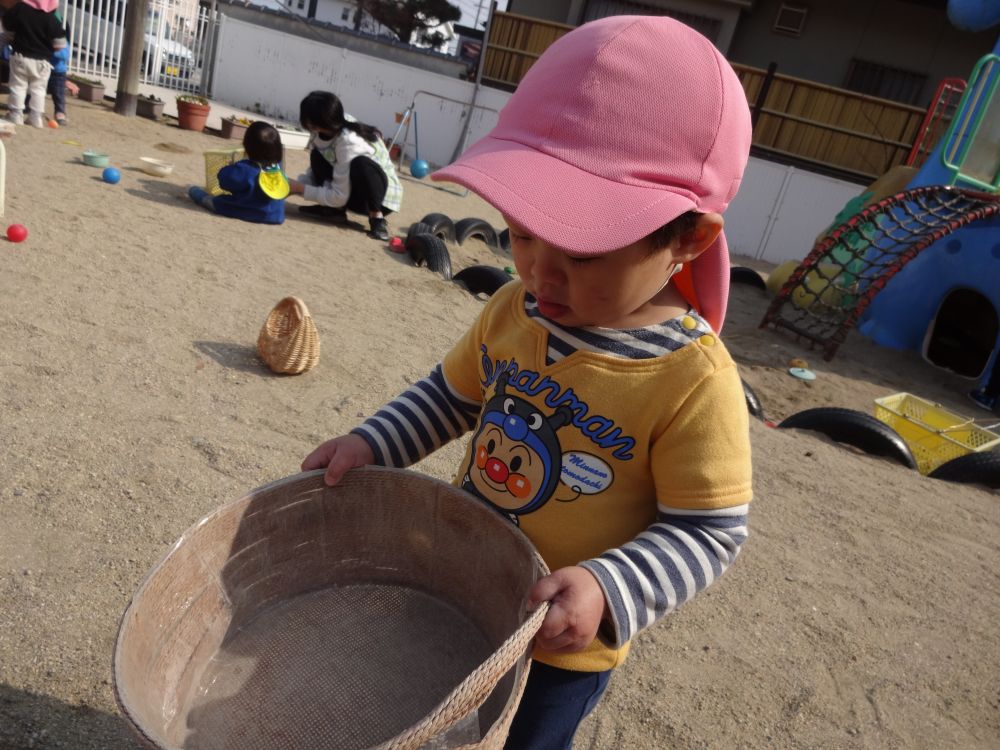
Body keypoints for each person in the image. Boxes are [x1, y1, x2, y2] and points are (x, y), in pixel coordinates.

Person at [301, 15, 753, 750]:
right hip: (455, 587)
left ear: (686, 239)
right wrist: (371, 442)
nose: (541, 272)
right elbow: (451, 396)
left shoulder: (689, 379)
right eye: (522, 232)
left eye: (583, 250)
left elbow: (709, 531)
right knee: (419, 718)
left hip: (558, 645)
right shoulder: (516, 308)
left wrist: (609, 588)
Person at [287, 90, 402, 242]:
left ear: (316, 123)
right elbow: (317, 167)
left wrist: (299, 189)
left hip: (378, 197)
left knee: (360, 164)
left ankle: (377, 218)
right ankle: (334, 211)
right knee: (317, 154)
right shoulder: (326, 129)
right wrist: (293, 186)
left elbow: (339, 197)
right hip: (351, 187)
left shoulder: (349, 141)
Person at [188, 121, 287, 225]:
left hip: (247, 211)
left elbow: (224, 182)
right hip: (275, 215)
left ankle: (191, 190)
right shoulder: (278, 169)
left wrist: (230, 167)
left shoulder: (244, 169)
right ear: (278, 148)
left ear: (246, 146)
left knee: (207, 199)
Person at [0, 0, 66, 128]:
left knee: (18, 86)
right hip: (43, 62)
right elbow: (60, 44)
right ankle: (36, 117)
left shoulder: (21, 8)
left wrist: (13, 34)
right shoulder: (51, 18)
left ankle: (16, 114)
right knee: (39, 89)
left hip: (21, 56)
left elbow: (7, 23)